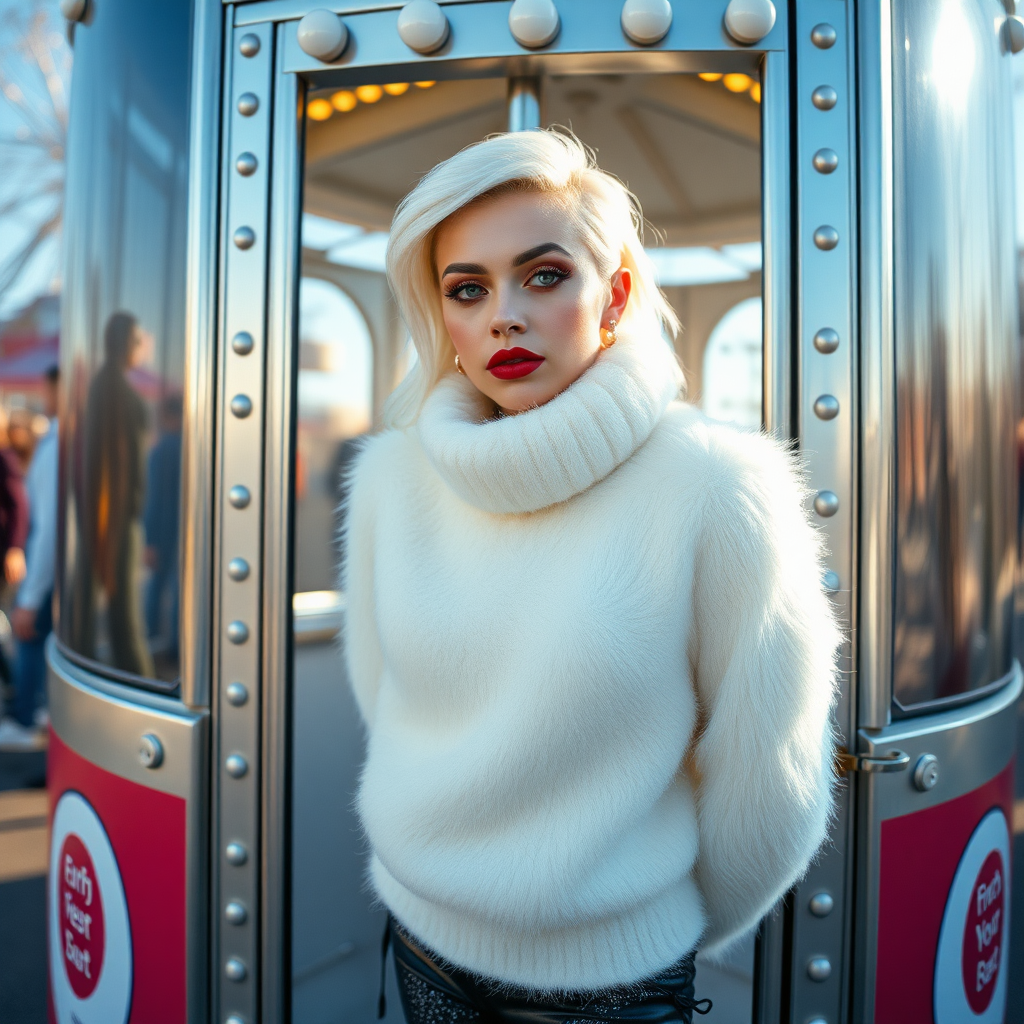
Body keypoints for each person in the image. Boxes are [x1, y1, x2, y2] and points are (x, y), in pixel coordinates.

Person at [341, 131, 840, 1024]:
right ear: (442, 316)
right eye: (468, 289)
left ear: (611, 296)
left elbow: (771, 783)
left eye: (543, 275)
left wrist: (643, 922)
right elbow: (391, 701)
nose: (503, 316)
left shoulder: (720, 488)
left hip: (610, 988)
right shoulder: (392, 478)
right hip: (419, 937)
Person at [0, 366, 59, 751]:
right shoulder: (52, 440)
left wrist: (30, 594)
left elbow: (36, 518)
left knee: (28, 637)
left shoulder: (55, 443)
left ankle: (25, 714)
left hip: (32, 560)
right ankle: (29, 708)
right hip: (32, 558)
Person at [143, 393, 182, 662]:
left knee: (157, 586)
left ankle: (152, 639)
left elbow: (153, 498)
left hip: (162, 530)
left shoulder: (161, 449)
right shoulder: (192, 448)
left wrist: (150, 540)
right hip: (183, 530)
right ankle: (176, 645)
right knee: (179, 589)